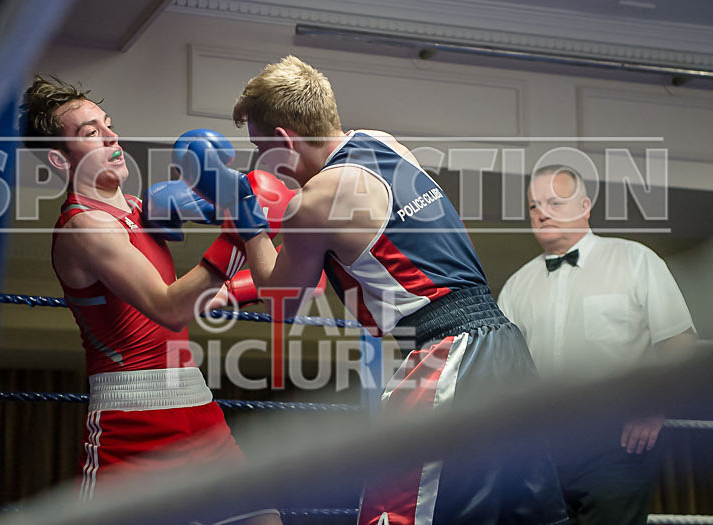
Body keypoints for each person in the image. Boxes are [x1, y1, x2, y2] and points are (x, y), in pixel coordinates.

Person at [173, 56, 569, 524]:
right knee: (528, 514)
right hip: (505, 346)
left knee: (394, 516)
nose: (265, 164)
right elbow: (347, 258)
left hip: (444, 358)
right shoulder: (384, 143)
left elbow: (284, 302)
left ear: (283, 140)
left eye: (262, 149)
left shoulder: (315, 201)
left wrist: (248, 222)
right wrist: (242, 287)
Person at [19, 76, 283, 524]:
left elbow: (195, 292)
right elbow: (167, 306)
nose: (111, 136)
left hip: (198, 408)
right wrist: (236, 229)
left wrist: (254, 271)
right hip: (133, 421)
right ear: (58, 159)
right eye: (90, 133)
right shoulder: (84, 228)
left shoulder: (145, 208)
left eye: (108, 124)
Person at [497, 165, 697, 525]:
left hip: (617, 443)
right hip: (540, 451)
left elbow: (678, 342)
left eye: (555, 202)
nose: (542, 212)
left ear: (585, 207)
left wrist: (653, 408)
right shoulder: (516, 286)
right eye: (533, 205)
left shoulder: (635, 260)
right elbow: (505, 368)